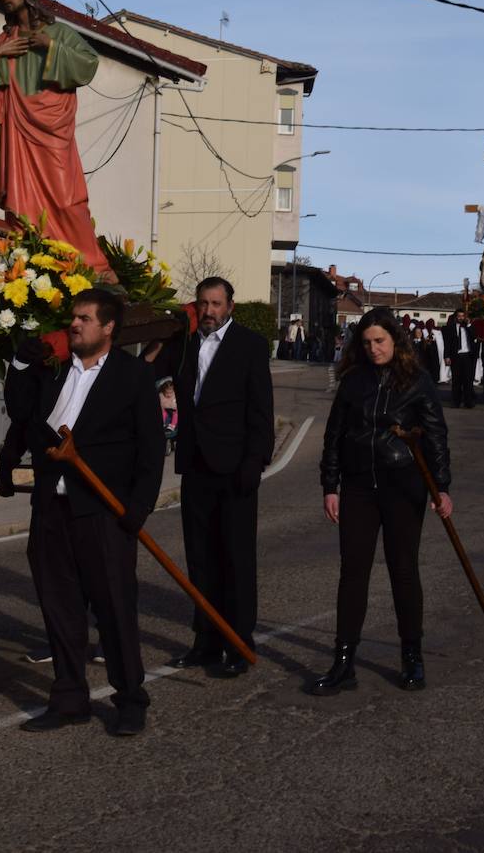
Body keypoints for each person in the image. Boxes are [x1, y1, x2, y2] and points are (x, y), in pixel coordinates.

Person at [4, 290, 164, 736]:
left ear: (108, 327)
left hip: (103, 513)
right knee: (60, 608)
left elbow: (151, 449)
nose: (75, 325)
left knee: (115, 610)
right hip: (52, 509)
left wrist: (138, 509)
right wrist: (20, 363)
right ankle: (69, 697)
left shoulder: (132, 376)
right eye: (73, 318)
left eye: (85, 319)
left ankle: (130, 698)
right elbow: (20, 412)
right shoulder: (54, 373)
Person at [310, 308, 452, 696]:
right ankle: (343, 662)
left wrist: (442, 486)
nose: (374, 349)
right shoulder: (352, 382)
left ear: (395, 341)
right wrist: (330, 485)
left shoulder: (417, 381)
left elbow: (436, 435)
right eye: (368, 342)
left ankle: (412, 656)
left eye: (381, 341)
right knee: (352, 573)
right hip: (358, 487)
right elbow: (333, 436)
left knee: (403, 570)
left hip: (404, 486)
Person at [0, 0, 110, 274]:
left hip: (53, 131)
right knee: (25, 205)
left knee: (67, 198)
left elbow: (89, 63)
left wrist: (50, 47)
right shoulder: (6, 39)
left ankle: (90, 265)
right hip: (19, 132)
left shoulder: (58, 33)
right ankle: (34, 264)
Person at [172, 277, 274, 677]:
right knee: (200, 557)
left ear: (230, 305)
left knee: (235, 557)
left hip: (234, 469)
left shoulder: (249, 345)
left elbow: (261, 407)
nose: (209, 310)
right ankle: (206, 641)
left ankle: (238, 641)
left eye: (216, 303)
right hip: (195, 465)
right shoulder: (186, 344)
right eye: (203, 304)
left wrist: (255, 461)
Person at [443, 309, 479, 408]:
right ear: (456, 317)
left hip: (467, 356)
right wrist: (446, 356)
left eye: (462, 316)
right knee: (456, 380)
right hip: (456, 357)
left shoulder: (469, 327)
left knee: (468, 380)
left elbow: (475, 336)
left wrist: (468, 325)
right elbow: (447, 344)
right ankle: (456, 402)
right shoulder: (450, 328)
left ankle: (468, 402)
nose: (461, 318)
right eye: (459, 316)